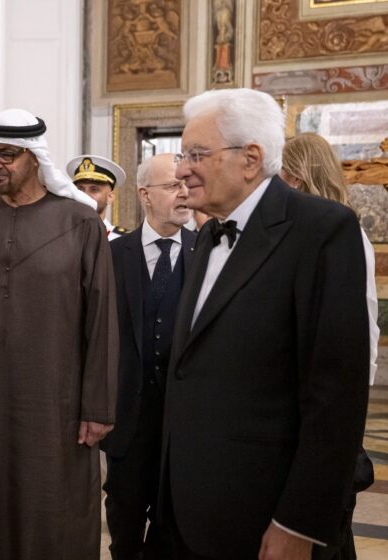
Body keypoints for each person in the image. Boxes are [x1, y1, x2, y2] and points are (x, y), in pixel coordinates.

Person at [162, 88, 370, 560]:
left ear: (250, 159)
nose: (180, 170)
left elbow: (336, 397)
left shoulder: (321, 231)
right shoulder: (205, 237)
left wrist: (299, 523)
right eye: (182, 154)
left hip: (265, 517)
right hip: (190, 512)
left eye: (196, 154)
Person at [0, 108, 119, 560]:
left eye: (7, 155)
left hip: (58, 407)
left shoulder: (80, 224)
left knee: (55, 511)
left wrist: (99, 407)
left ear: (35, 157)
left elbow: (102, 320)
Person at [281, 131, 379, 559]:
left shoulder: (341, 231)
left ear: (297, 176)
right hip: (300, 400)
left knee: (328, 524)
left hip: (330, 399)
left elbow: (363, 327)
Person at [101, 153, 195, 559]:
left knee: (172, 535)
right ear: (145, 195)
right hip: (127, 424)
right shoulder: (111, 255)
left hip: (184, 427)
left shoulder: (207, 252)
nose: (184, 193)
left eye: (186, 185)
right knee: (124, 530)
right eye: (173, 186)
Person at [66, 154, 129, 239]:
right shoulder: (62, 236)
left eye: (94, 189)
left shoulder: (122, 240)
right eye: (80, 189)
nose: (85, 196)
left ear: (110, 197)